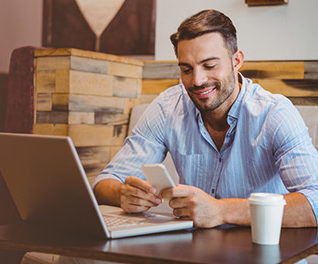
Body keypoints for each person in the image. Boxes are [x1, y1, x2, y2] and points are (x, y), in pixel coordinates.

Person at [93, 9, 318, 228]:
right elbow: (104, 182)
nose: (197, 80)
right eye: (186, 69)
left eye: (209, 65)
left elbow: (316, 201)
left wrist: (221, 210)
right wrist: (122, 194)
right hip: (195, 251)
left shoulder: (275, 114)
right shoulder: (167, 107)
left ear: (236, 60)